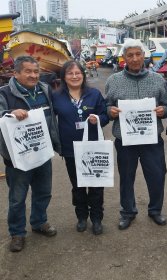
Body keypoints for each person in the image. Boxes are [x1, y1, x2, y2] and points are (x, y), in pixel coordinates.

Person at [105, 39, 167, 230]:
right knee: (126, 178)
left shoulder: (157, 79)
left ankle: (155, 210)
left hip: (152, 139)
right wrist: (111, 112)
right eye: (130, 55)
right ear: (124, 58)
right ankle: (127, 212)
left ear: (144, 56)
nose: (134, 58)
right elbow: (107, 105)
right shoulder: (113, 81)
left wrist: (163, 111)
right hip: (125, 140)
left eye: (138, 54)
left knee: (157, 176)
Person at [0, 56, 61, 252]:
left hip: (42, 153)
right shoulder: (4, 93)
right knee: (17, 198)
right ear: (16, 73)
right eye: (28, 71)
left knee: (43, 192)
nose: (33, 75)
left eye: (36, 71)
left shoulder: (44, 89)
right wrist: (9, 113)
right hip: (17, 158)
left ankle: (39, 222)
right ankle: (17, 233)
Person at [52, 61, 109, 235]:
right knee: (77, 185)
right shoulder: (56, 96)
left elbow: (106, 115)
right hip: (71, 149)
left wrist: (98, 119)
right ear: (63, 77)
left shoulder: (94, 94)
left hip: (93, 147)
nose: (75, 76)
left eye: (78, 73)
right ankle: (82, 217)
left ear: (83, 75)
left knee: (96, 184)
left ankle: (97, 218)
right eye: (70, 73)